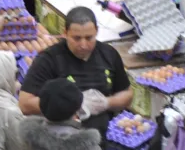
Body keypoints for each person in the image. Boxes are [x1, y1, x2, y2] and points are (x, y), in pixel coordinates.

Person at [18, 7, 133, 138]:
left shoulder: (108, 54)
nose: (83, 45)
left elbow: (127, 94)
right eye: (77, 38)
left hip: (101, 136)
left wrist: (107, 102)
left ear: (97, 32)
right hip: (63, 138)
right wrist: (69, 105)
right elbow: (25, 103)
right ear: (65, 33)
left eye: (89, 38)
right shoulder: (49, 59)